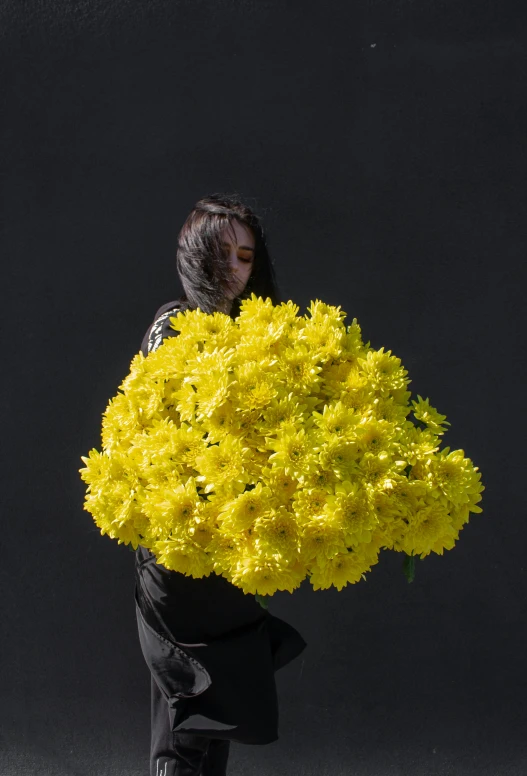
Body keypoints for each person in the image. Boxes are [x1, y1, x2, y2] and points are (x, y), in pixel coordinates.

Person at [134, 193, 307, 776]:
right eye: (224, 253)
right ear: (195, 255)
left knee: (220, 714)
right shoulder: (173, 325)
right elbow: (159, 431)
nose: (236, 269)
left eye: (246, 256)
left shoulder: (260, 339)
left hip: (233, 549)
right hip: (179, 548)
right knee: (187, 712)